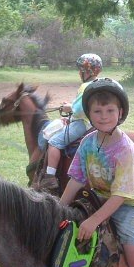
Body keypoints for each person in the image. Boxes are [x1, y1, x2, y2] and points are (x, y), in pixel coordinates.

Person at [60, 78, 134, 267]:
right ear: (89, 114)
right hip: (98, 197)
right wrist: (59, 207)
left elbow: (121, 195)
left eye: (110, 110)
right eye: (97, 111)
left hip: (127, 202)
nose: (103, 116)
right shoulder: (87, 142)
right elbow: (77, 179)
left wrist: (94, 220)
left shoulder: (125, 149)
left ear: (120, 112)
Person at [39, 53, 103, 192]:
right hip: (89, 122)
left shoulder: (85, 86)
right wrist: (70, 113)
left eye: (81, 70)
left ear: (87, 71)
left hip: (82, 123)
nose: (79, 73)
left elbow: (80, 110)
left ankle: (49, 177)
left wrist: (69, 108)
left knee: (54, 142)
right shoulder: (97, 84)